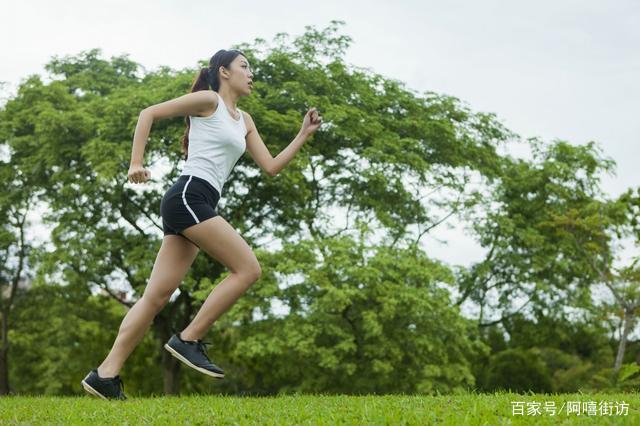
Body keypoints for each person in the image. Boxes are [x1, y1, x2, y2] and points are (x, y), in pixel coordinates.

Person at [81, 49, 322, 400]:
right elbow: (148, 113)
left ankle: (105, 374)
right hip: (188, 196)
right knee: (248, 269)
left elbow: (270, 167)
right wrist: (136, 162)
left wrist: (302, 135)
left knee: (156, 296)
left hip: (199, 201)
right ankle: (189, 338)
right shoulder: (208, 100)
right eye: (245, 66)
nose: (251, 73)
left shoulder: (245, 120)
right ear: (223, 72)